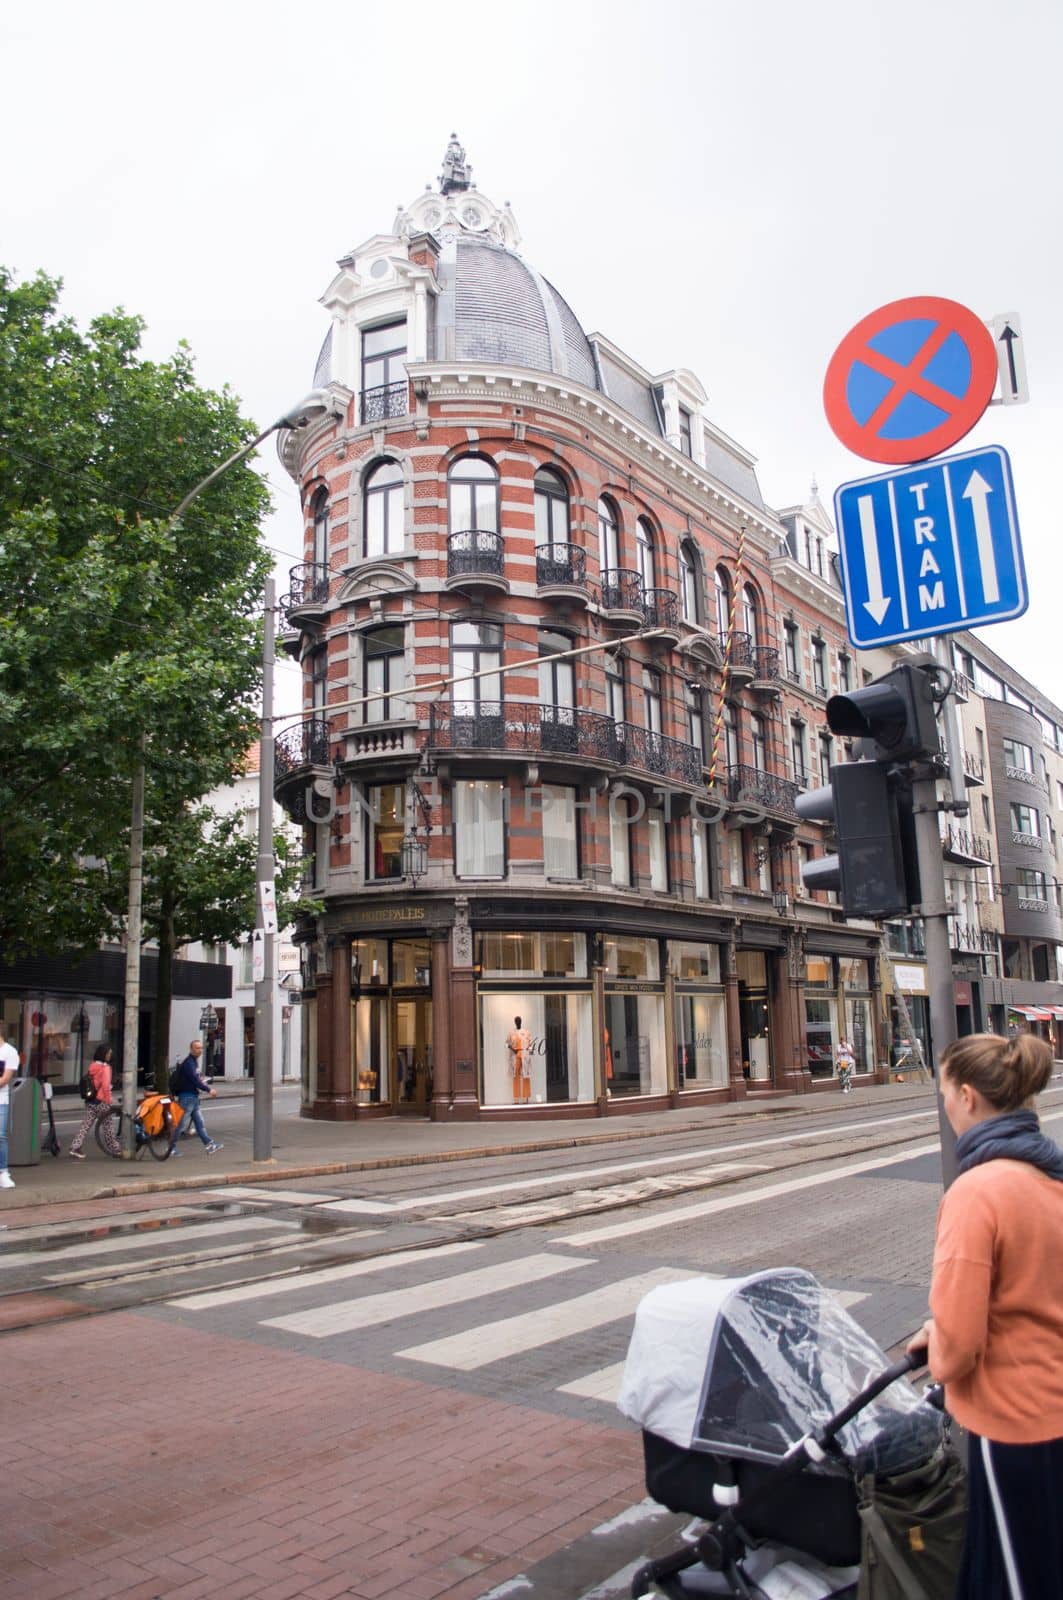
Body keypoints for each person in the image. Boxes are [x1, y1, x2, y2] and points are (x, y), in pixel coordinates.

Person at [906, 1032, 1063, 1599]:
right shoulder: (1052, 1174)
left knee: (1019, 1574)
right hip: (1056, 1404)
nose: (945, 1107)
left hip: (1014, 1421)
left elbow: (961, 1346)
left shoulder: (977, 1192)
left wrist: (938, 1342)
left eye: (945, 1093)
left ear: (968, 1097)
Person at [68, 1044, 123, 1158]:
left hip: (91, 1099)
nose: (109, 1056)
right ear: (104, 1054)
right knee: (108, 1126)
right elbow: (106, 1086)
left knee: (86, 1124)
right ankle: (115, 1149)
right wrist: (108, 1101)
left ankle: (75, 1147)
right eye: (108, 1054)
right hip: (102, 1100)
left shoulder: (92, 1066)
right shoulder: (106, 1068)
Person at [170, 1039, 223, 1155]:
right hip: (187, 1098)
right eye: (197, 1048)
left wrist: (202, 1082)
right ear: (191, 1049)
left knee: (199, 1123)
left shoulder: (193, 1062)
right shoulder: (189, 1063)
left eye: (201, 1048)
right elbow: (195, 1080)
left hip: (192, 1098)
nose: (200, 1050)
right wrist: (209, 1089)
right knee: (180, 1125)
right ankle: (171, 1148)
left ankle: (209, 1145)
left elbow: (196, 1078)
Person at [0, 1020, 20, 1188]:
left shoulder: (9, 1052)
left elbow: (5, 1079)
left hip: (1, 1100)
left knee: (0, 1136)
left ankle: (3, 1172)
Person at [506, 1016, 532, 1104]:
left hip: (524, 1055)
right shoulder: (511, 1033)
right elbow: (506, 1044)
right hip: (515, 1055)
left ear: (521, 1021)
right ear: (514, 1022)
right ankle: (516, 1099)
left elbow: (530, 1044)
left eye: (519, 1021)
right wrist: (512, 1049)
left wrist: (529, 1053)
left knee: (526, 1076)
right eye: (516, 1021)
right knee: (516, 1077)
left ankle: (526, 1098)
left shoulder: (526, 1032)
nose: (518, 1022)